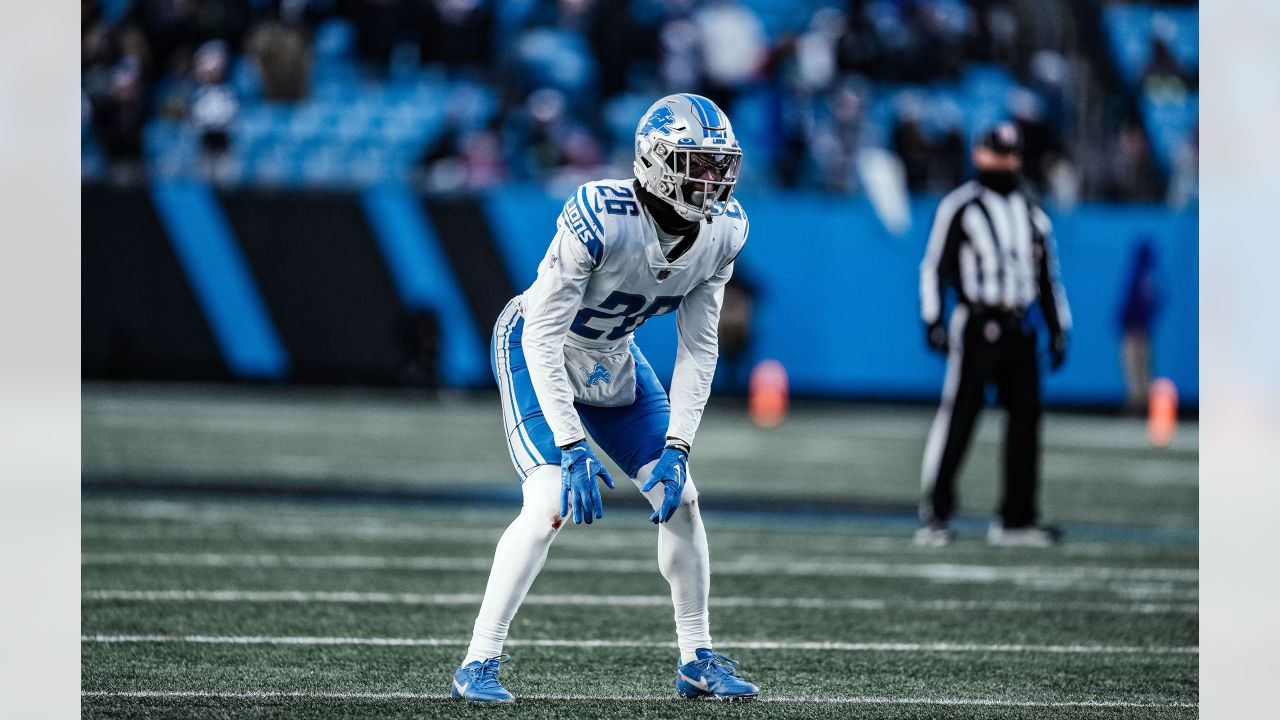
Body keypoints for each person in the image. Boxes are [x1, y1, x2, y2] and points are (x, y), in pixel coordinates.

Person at [450, 94, 760, 703]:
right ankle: (478, 661)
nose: (713, 180)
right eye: (698, 163)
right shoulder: (601, 211)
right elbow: (541, 332)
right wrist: (570, 444)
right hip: (536, 348)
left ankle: (696, 657)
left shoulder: (724, 231)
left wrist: (678, 445)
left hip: (613, 357)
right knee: (547, 501)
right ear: (655, 159)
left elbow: (699, 349)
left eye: (721, 165)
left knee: (682, 497)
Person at [916, 121, 1072, 548]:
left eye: (1010, 154)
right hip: (978, 323)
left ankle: (1016, 519)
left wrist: (1059, 328)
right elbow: (935, 267)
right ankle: (937, 513)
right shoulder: (961, 207)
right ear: (978, 155)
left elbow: (1047, 278)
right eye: (996, 153)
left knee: (1026, 422)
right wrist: (933, 320)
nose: (1003, 162)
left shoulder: (1032, 212)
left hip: (1021, 327)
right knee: (959, 418)